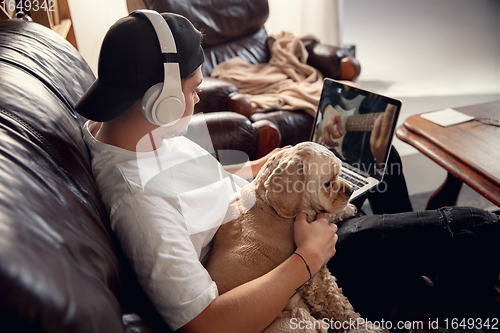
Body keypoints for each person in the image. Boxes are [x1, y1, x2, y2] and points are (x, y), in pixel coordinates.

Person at [75, 10, 500, 333]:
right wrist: (307, 257)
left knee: (372, 149)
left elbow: (192, 182)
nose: (198, 100)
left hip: (272, 211)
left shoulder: (132, 134)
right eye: (191, 90)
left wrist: (270, 165)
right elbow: (204, 323)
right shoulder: (140, 203)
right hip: (279, 256)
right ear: (160, 99)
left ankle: (408, 266)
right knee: (477, 227)